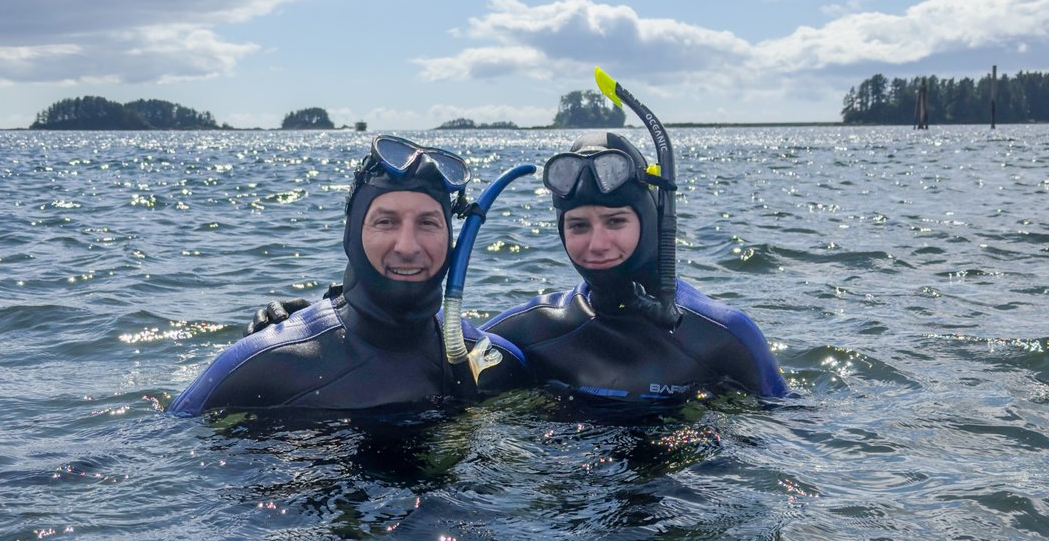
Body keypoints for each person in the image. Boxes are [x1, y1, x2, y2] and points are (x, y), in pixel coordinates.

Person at [167, 136, 526, 416]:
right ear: (352, 233)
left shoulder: (495, 365)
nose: (406, 245)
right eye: (385, 221)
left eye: (428, 223)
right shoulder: (263, 366)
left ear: (451, 237)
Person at [480, 131, 789, 403]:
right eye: (578, 226)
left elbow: (789, 437)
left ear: (651, 220)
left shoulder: (722, 337)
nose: (597, 243)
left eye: (616, 221)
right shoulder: (534, 330)